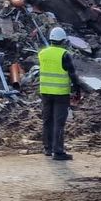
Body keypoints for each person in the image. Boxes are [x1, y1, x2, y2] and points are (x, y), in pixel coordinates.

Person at [38, 26, 82, 161]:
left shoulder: (42, 53)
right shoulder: (64, 54)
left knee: (47, 120)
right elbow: (72, 74)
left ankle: (48, 148)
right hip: (60, 93)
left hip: (45, 92)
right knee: (59, 122)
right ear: (63, 40)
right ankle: (58, 152)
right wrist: (77, 90)